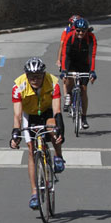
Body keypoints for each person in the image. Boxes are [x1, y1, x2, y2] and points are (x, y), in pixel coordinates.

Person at [10, 57, 66, 211]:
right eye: (31, 77)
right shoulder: (18, 86)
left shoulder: (53, 83)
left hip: (47, 111)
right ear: (26, 76)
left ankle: (58, 156)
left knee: (53, 127)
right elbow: (17, 115)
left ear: (44, 74)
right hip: (29, 115)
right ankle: (34, 193)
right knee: (31, 150)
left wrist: (60, 130)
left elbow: (57, 111)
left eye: (39, 76)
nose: (35, 80)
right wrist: (15, 135)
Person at [58, 15, 97, 129]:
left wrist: (92, 71)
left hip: (84, 63)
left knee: (83, 90)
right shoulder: (69, 36)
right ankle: (69, 94)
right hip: (72, 61)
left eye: (83, 31)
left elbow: (92, 55)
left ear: (87, 31)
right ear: (74, 29)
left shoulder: (91, 38)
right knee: (69, 79)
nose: (81, 33)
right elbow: (65, 54)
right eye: (78, 30)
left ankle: (84, 117)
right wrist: (64, 70)